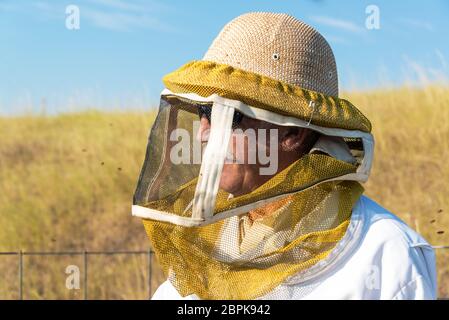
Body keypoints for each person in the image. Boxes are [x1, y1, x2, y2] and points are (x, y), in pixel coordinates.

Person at [132, 12, 437, 300]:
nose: (203, 134)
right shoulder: (207, 240)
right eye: (203, 112)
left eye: (228, 116)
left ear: (293, 134)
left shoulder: (386, 253)